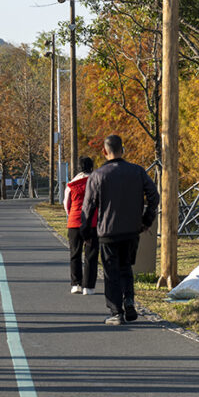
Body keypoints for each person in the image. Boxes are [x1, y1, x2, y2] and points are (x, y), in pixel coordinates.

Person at [80, 134, 158, 327]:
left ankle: (116, 311)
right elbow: (154, 196)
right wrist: (146, 219)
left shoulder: (98, 175)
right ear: (122, 149)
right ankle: (129, 300)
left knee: (110, 271)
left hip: (107, 231)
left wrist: (86, 231)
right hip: (132, 230)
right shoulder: (138, 172)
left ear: (104, 151)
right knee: (126, 268)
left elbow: (88, 206)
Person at [64, 156, 97, 295]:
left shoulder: (72, 184)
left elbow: (67, 204)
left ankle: (75, 284)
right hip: (93, 222)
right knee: (91, 254)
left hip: (74, 220)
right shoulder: (96, 182)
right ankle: (88, 287)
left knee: (75, 253)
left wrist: (71, 214)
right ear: (92, 166)